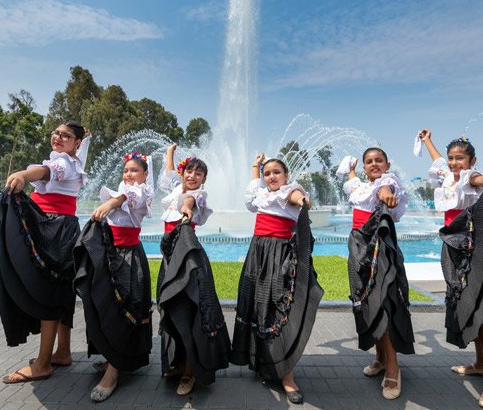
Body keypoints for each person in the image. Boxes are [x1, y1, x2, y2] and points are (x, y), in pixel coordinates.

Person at [419, 130, 483, 409]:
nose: (453, 163)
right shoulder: (448, 175)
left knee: (482, 310)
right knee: (466, 306)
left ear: (472, 160)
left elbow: (475, 178)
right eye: (452, 158)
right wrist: (428, 141)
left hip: (472, 249)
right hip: (453, 246)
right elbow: (439, 161)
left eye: (459, 158)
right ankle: (478, 363)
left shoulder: (470, 178)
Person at [0, 122, 89, 384]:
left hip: (53, 226)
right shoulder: (75, 160)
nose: (58, 137)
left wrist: (25, 176)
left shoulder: (65, 163)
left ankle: (43, 363)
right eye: (57, 133)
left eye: (66, 136)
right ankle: (63, 352)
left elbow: (48, 171)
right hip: (60, 225)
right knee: (61, 291)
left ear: (75, 143)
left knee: (48, 290)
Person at [230, 154, 324, 405]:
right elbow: (252, 196)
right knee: (258, 308)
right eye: (267, 173)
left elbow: (297, 197)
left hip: (280, 256)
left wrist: (303, 200)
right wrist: (254, 167)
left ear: (286, 175)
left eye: (276, 172)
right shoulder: (263, 195)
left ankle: (287, 376)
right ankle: (264, 362)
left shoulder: (290, 192)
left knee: (278, 309)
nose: (271, 177)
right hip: (258, 254)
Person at [73, 151, 154, 402]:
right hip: (110, 255)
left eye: (134, 170)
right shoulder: (122, 190)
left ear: (145, 174)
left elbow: (128, 197)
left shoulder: (141, 192)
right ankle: (112, 355)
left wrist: (110, 203)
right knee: (105, 305)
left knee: (124, 309)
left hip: (128, 258)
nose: (129, 174)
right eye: (126, 170)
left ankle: (113, 371)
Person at [155, 143, 230, 395]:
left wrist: (186, 209)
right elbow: (168, 177)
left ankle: (191, 371)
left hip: (187, 262)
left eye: (198, 173)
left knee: (189, 314)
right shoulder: (173, 190)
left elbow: (189, 201)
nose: (192, 176)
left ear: (204, 179)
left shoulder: (197, 197)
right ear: (182, 173)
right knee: (172, 311)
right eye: (189, 171)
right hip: (169, 260)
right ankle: (178, 362)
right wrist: (170, 154)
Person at [340, 148, 413, 400]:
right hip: (358, 247)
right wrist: (351, 169)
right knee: (367, 301)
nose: (374, 164)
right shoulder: (360, 186)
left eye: (378, 160)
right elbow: (352, 182)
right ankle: (381, 358)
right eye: (369, 162)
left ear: (387, 163)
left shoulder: (386, 183)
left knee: (384, 302)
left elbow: (386, 191)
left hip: (378, 247)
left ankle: (394, 368)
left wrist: (386, 195)